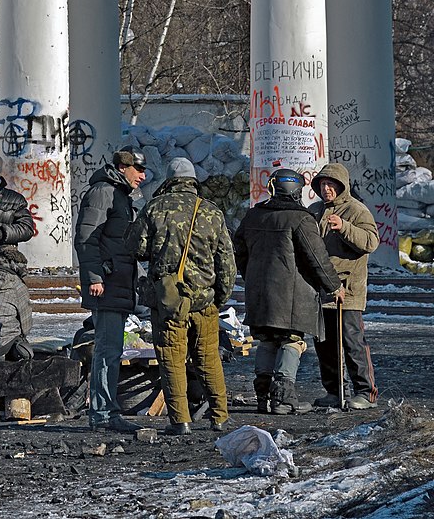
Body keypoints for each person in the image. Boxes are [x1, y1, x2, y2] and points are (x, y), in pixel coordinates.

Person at [131, 157, 236, 435]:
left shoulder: (154, 208)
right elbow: (227, 263)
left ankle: (180, 421)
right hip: (204, 302)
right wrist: (218, 299)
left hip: (169, 302)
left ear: (169, 180)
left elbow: (136, 248)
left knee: (172, 360)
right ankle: (220, 417)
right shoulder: (211, 211)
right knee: (208, 358)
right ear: (193, 181)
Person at [232, 168, 344, 415]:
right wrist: (334, 286)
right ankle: (283, 399)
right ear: (297, 190)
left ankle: (263, 397)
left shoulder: (253, 215)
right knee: (291, 340)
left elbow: (239, 250)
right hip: (291, 296)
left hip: (259, 293)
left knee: (267, 340)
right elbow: (317, 257)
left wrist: (251, 276)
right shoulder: (301, 219)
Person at [74, 146, 147, 433]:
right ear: (122, 167)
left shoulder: (122, 195)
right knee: (107, 350)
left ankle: (106, 411)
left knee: (112, 350)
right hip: (106, 284)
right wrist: (94, 277)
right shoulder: (103, 192)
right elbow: (86, 238)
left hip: (118, 282)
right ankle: (103, 414)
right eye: (138, 169)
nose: (142, 176)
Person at [308, 162, 380, 410]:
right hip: (321, 290)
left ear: (342, 186)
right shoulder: (315, 210)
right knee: (324, 345)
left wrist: (344, 227)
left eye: (331, 184)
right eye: (322, 184)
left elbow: (371, 242)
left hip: (348, 290)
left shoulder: (356, 210)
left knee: (352, 342)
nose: (326, 189)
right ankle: (335, 390)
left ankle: (365, 392)